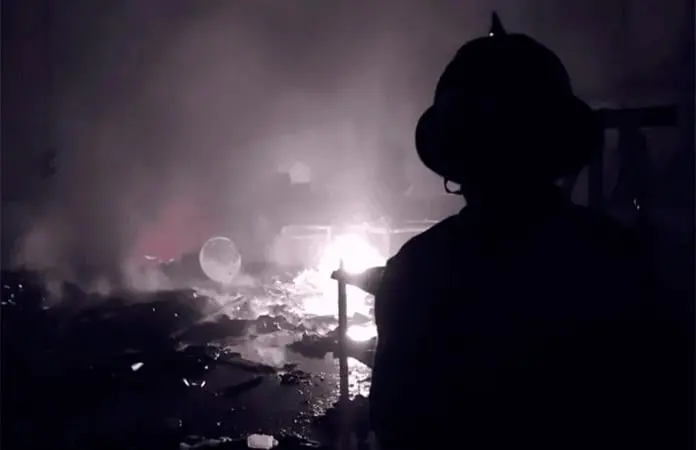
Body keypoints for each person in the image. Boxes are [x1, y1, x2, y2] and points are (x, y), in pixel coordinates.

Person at [336, 14, 692, 450]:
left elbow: (396, 423)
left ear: (455, 161)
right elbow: (663, 413)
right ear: (557, 151)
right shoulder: (617, 259)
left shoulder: (416, 270)